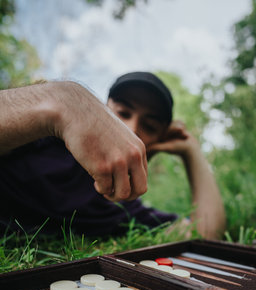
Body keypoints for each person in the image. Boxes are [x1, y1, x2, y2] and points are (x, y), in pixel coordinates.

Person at [0, 72, 225, 239]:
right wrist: (62, 101)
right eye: (123, 113)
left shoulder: (124, 206)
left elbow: (205, 233)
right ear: (104, 110)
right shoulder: (43, 136)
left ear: (157, 142)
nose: (131, 128)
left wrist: (191, 151)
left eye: (150, 126)